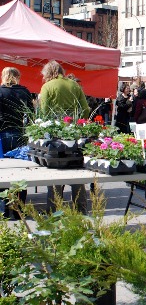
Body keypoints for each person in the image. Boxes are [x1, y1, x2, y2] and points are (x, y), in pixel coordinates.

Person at [40, 61, 89, 214]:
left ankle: (54, 212)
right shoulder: (74, 85)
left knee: (55, 172)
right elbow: (85, 109)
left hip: (55, 135)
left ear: (48, 72)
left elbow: (44, 112)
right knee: (76, 170)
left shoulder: (48, 86)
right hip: (74, 133)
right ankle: (81, 212)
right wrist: (78, 122)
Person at [0, 67, 33, 219]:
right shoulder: (24, 91)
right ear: (17, 77)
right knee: (21, 171)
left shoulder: (0, 91)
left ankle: (4, 210)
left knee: (4, 172)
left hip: (3, 133)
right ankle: (20, 209)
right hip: (20, 133)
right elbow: (31, 113)